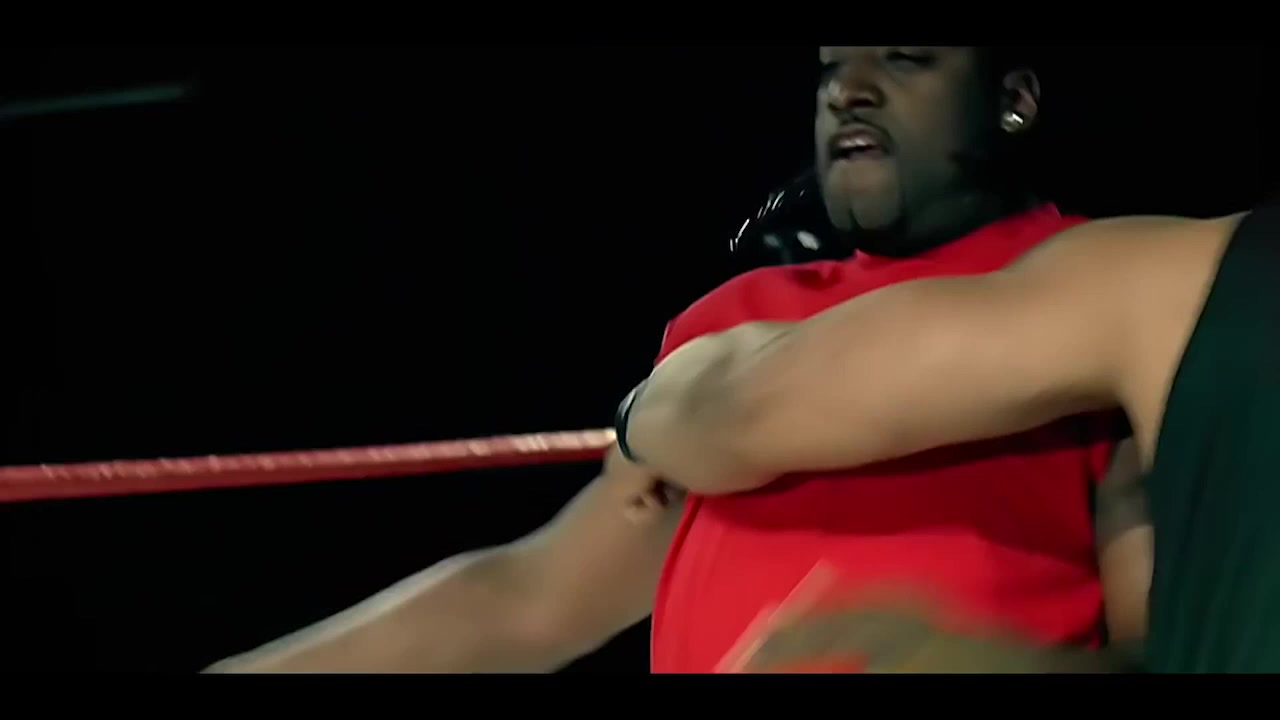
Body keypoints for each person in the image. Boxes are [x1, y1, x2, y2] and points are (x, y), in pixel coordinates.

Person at [207, 46, 1151, 674]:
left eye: (903, 56)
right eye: (831, 65)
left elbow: (1181, 647)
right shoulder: (732, 329)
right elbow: (534, 598)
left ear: (1013, 99)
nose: (847, 90)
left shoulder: (1111, 301)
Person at [621, 202, 1273, 672]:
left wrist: (640, 417)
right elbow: (743, 406)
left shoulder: (1169, 283)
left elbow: (738, 405)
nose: (851, 92)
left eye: (910, 62)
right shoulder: (1170, 283)